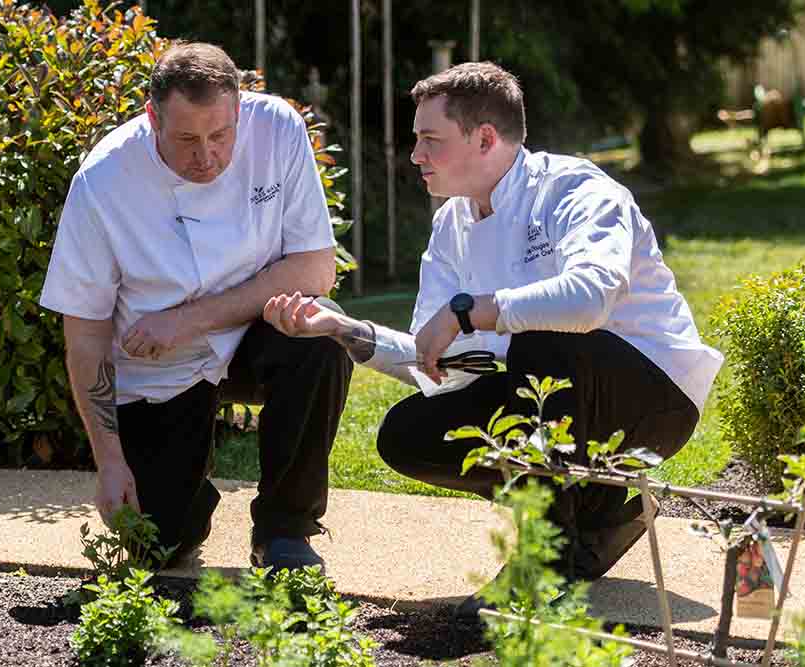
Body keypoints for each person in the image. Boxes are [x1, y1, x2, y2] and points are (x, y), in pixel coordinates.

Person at [263, 61, 723, 613]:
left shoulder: (575, 188)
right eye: (417, 140)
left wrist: (471, 311)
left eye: (430, 140)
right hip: (555, 393)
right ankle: (596, 517)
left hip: (654, 401)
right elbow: (439, 361)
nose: (415, 156)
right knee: (408, 433)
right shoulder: (450, 224)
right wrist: (345, 331)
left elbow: (591, 296)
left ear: (485, 138)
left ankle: (542, 563)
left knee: (541, 340)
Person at [39, 40, 353, 572]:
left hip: (257, 329)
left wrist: (188, 319)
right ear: (152, 118)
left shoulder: (278, 129)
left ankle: (285, 530)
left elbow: (316, 269)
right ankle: (185, 494)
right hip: (159, 368)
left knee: (321, 335)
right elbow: (86, 335)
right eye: (186, 138)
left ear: (239, 108)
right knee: (157, 546)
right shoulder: (102, 181)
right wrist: (110, 463)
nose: (206, 156)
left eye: (221, 134)